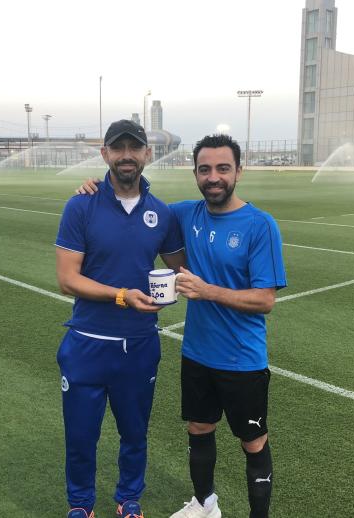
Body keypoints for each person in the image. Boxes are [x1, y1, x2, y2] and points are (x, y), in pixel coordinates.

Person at [76, 134, 287, 517]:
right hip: (197, 354)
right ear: (195, 174)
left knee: (252, 441)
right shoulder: (184, 214)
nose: (214, 177)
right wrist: (95, 188)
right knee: (199, 430)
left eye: (223, 168)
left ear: (238, 171)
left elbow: (265, 300)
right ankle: (205, 506)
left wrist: (208, 291)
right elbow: (135, 205)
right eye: (205, 169)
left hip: (242, 359)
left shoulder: (260, 225)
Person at [55, 119, 185, 518]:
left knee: (134, 434)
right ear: (105, 154)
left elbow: (182, 271)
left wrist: (175, 289)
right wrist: (121, 296)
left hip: (139, 345)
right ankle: (81, 505)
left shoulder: (162, 213)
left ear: (147, 154)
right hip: (87, 343)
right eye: (118, 148)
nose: (126, 155)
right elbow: (67, 279)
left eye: (135, 148)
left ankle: (129, 500)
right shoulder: (82, 204)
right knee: (81, 436)